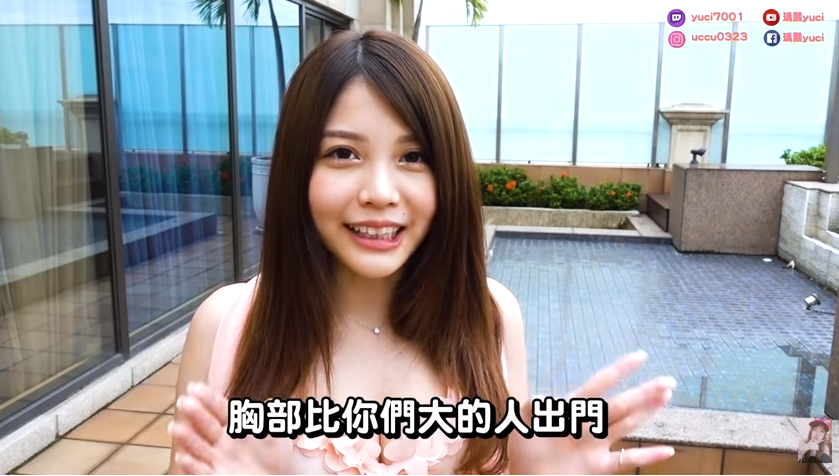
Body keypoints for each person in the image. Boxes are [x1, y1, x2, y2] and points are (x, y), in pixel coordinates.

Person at [166, 28, 678, 475]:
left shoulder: (492, 318)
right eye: (343, 153)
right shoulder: (227, 326)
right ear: (297, 170)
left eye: (413, 156)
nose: (380, 192)